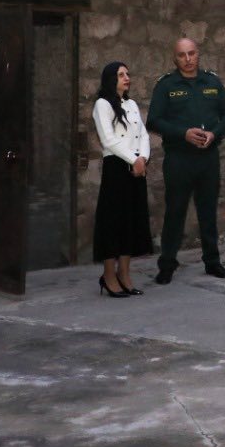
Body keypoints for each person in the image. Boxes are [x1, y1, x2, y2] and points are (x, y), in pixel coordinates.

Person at [147, 37, 225, 283]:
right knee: (175, 212)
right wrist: (183, 133)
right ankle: (167, 264)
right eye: (182, 55)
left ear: (198, 54)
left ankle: (212, 262)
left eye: (191, 53)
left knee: (208, 212)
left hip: (208, 158)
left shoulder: (212, 81)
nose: (187, 59)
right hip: (179, 159)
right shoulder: (166, 85)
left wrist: (214, 134)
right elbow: (154, 120)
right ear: (175, 58)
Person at [91, 61, 154, 297]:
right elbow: (108, 140)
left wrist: (142, 158)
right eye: (121, 75)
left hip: (136, 168)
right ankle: (108, 275)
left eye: (127, 74)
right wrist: (133, 160)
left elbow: (143, 135)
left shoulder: (132, 104)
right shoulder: (102, 104)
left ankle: (124, 274)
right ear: (111, 79)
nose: (127, 78)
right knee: (112, 222)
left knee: (131, 221)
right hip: (117, 167)